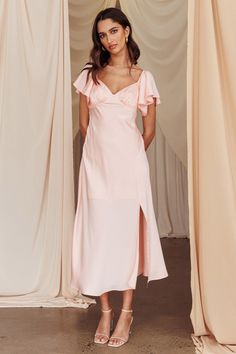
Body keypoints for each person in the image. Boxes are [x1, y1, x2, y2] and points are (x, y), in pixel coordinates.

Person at [71, 7, 168, 348]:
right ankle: (105, 310)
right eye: (101, 34)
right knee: (100, 236)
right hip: (96, 170)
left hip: (129, 171)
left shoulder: (144, 78)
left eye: (113, 31)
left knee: (126, 238)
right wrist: (97, 159)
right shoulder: (89, 77)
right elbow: (85, 126)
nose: (108, 39)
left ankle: (126, 312)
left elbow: (149, 130)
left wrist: (128, 159)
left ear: (126, 31)